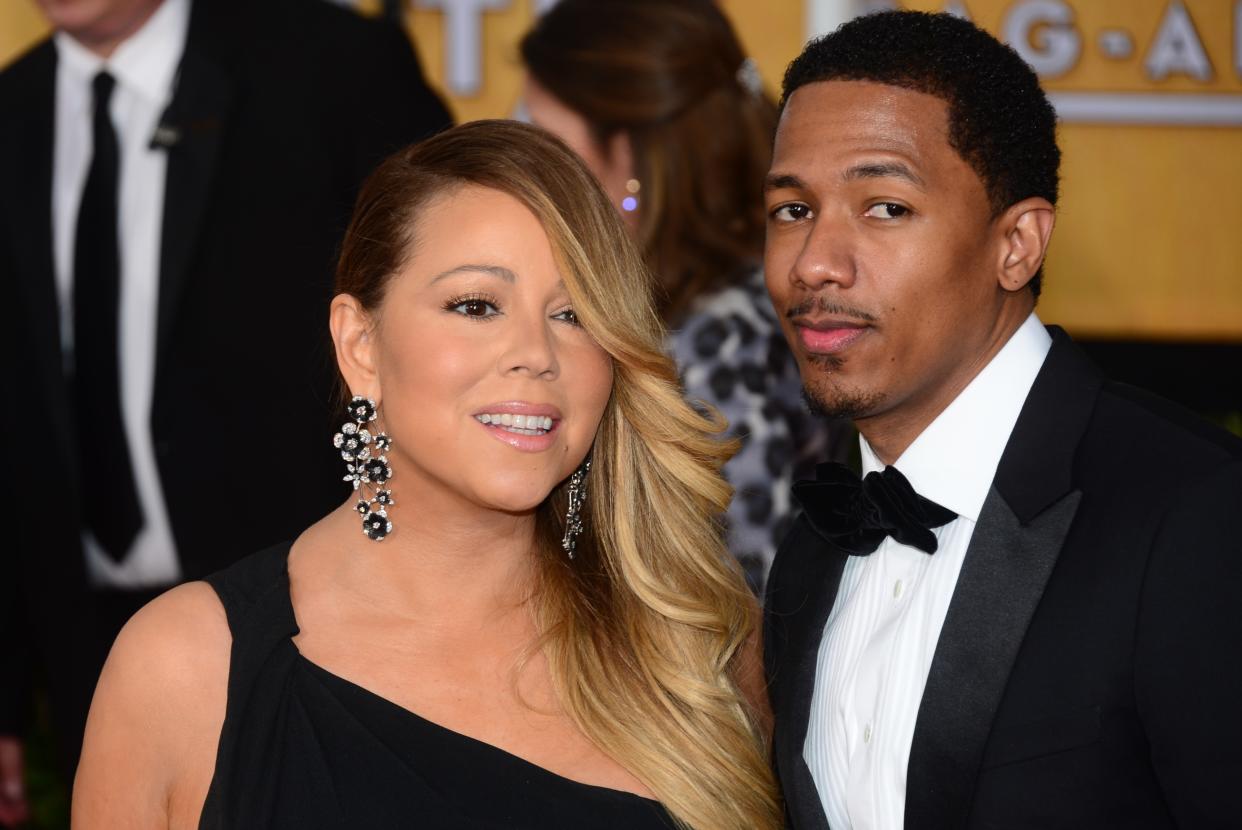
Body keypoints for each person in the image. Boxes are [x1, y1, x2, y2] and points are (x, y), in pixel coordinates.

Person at [72, 120, 783, 830]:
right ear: (361, 346)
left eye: (575, 314)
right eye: (476, 305)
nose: (536, 353)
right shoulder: (185, 667)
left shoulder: (698, 647)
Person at [761, 11, 1242, 830]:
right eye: (792, 211)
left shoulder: (1198, 515)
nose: (814, 262)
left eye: (884, 208)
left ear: (1016, 243)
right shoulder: (815, 543)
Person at [0, 0, 450, 820]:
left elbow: (446, 319)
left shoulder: (335, 65)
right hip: (82, 646)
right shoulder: (13, 110)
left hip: (331, 635)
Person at [519, 0, 847, 595]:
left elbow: (744, 612)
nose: (532, 175)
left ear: (629, 160)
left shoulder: (727, 341)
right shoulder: (718, 301)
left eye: (547, 140)